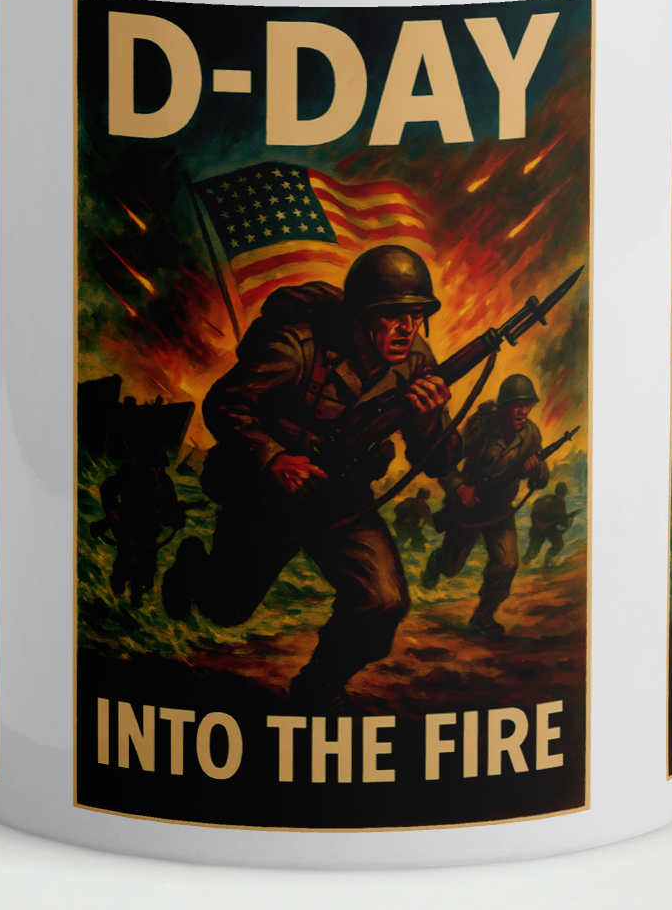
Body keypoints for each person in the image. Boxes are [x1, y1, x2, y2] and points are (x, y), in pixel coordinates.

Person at [162, 245, 455, 706]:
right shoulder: (299, 347)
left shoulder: (418, 361)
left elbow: (438, 462)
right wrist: (273, 459)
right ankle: (193, 569)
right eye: (394, 315)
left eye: (416, 314)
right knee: (226, 608)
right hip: (272, 493)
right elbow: (226, 402)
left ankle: (320, 686)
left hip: (342, 497)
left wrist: (429, 419)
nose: (408, 328)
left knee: (383, 603)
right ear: (361, 315)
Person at [425, 373, 546, 639]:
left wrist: (535, 471)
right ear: (504, 406)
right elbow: (446, 459)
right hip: (470, 504)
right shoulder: (480, 427)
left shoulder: (531, 434)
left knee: (507, 563)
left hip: (500, 509)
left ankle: (484, 616)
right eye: (518, 404)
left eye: (528, 404)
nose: (524, 410)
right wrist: (459, 488)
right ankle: (437, 562)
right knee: (451, 567)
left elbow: (542, 475)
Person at [95, 446, 189, 604]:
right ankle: (115, 603)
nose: (155, 470)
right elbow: (108, 488)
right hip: (127, 532)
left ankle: (136, 604)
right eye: (152, 465)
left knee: (145, 578)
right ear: (143, 463)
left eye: (159, 466)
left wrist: (177, 518)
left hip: (149, 537)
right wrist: (111, 510)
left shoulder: (165, 483)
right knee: (123, 570)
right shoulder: (129, 472)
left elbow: (169, 513)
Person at [525, 480, 572, 564]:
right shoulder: (550, 500)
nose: (564, 495)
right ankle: (524, 566)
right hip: (539, 529)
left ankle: (546, 561)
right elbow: (535, 510)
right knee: (533, 552)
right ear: (563, 492)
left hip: (548, 528)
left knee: (558, 545)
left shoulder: (557, 501)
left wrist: (567, 517)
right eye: (564, 492)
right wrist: (538, 524)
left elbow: (562, 519)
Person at [391, 486, 436, 552]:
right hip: (405, 526)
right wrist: (406, 518)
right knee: (404, 542)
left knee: (413, 544)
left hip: (407, 526)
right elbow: (396, 510)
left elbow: (429, 521)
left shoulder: (423, 506)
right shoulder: (414, 503)